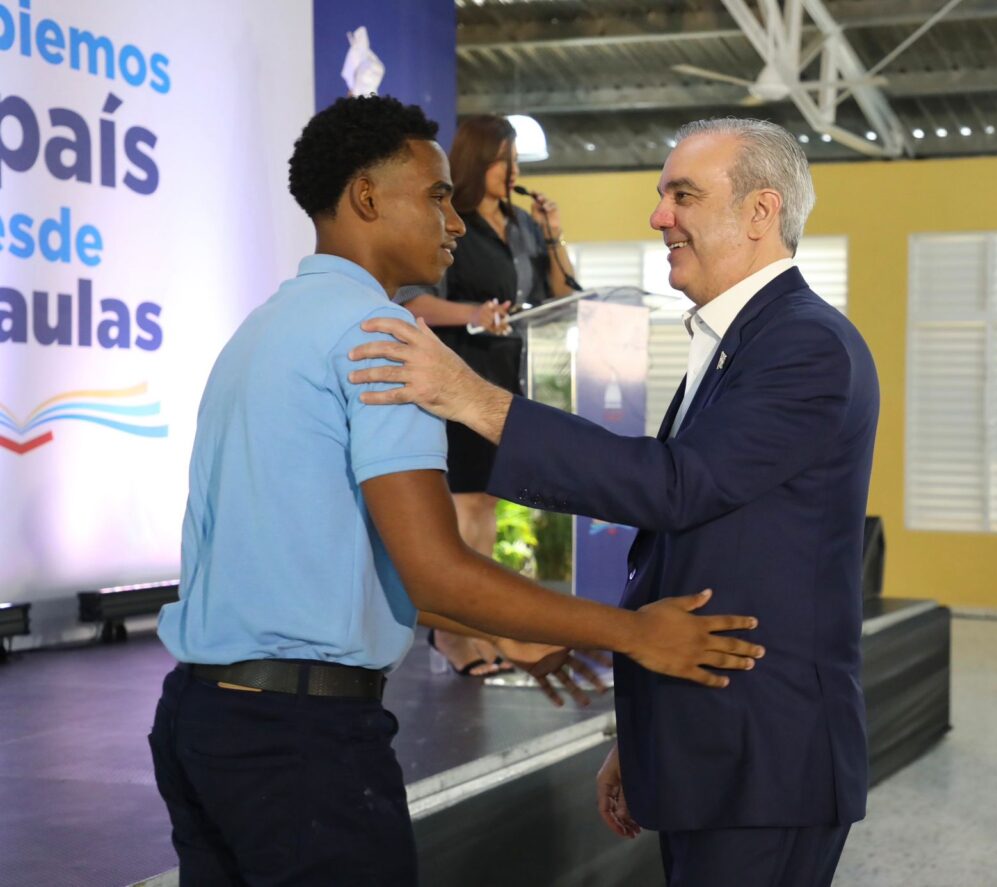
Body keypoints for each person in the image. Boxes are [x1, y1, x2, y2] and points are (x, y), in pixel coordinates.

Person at [148, 97, 766, 887]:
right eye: (437, 195)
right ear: (367, 199)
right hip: (300, 748)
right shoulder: (384, 342)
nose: (454, 219)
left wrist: (511, 632)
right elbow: (435, 569)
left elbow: (346, 570)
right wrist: (633, 633)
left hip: (201, 726)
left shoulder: (261, 331)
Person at [349, 117, 880, 887]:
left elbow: (674, 486)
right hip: (713, 745)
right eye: (662, 195)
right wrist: (641, 733)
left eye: (683, 195)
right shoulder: (744, 341)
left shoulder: (806, 345)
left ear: (762, 212)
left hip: (765, 760)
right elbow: (692, 550)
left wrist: (475, 398)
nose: (660, 216)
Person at [392, 114, 578, 676]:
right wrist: (474, 313)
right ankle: (454, 635)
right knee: (466, 506)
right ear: (479, 161)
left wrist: (553, 234)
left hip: (506, 380)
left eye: (516, 159)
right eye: (504, 159)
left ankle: (473, 628)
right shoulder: (452, 223)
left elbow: (564, 294)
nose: (514, 170)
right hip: (456, 376)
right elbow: (415, 302)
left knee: (485, 506)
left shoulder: (522, 226)